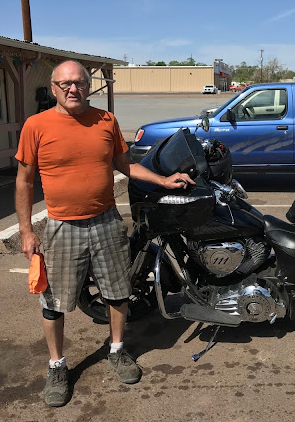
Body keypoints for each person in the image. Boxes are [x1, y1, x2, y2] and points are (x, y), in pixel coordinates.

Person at [15, 60, 194, 407]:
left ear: (88, 86)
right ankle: (57, 366)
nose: (73, 89)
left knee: (117, 291)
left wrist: (163, 180)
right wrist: (26, 230)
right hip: (61, 226)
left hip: (107, 222)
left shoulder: (106, 121)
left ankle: (117, 349)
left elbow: (126, 165)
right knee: (54, 302)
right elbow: (23, 181)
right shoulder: (36, 126)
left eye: (79, 82)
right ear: (53, 88)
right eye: (65, 83)